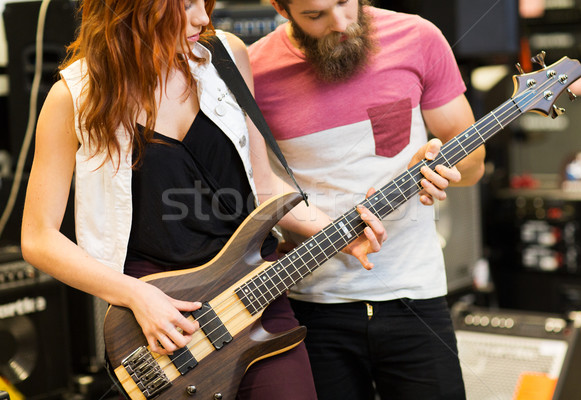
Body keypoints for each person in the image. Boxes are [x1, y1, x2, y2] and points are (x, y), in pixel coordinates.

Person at [19, 1, 389, 399]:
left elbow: (262, 190)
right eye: (186, 5)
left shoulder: (227, 56)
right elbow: (38, 238)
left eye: (204, 2)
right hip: (162, 318)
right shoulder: (73, 96)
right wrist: (136, 295)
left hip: (254, 291)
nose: (202, 18)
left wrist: (338, 232)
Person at [248, 0, 486, 399]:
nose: (340, 23)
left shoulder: (418, 38)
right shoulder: (253, 71)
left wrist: (442, 169)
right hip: (312, 305)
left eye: (344, 2)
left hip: (414, 295)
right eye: (315, 15)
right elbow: (259, 185)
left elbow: (475, 165)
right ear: (280, 7)